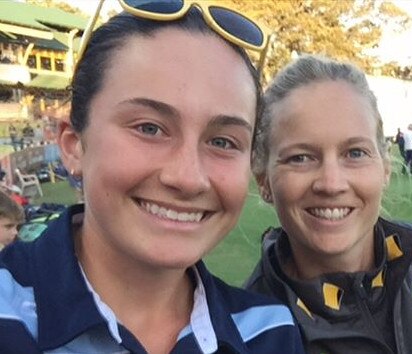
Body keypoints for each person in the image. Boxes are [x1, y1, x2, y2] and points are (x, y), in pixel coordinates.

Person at [0, 2, 304, 353]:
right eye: (149, 128)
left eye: (222, 141)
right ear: (73, 146)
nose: (188, 178)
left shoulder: (268, 333)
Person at [245, 55, 412, 354]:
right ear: (263, 180)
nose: (331, 183)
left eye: (355, 153)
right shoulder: (249, 338)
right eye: (301, 157)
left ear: (386, 166)